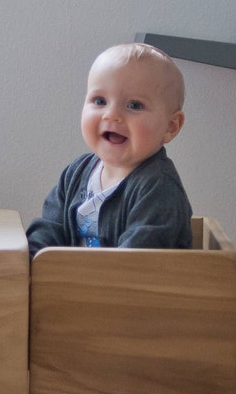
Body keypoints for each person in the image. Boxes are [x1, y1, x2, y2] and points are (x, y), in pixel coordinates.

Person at [26, 43, 193, 259]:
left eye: (134, 105)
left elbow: (135, 260)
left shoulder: (158, 188)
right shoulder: (76, 173)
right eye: (100, 101)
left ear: (170, 127)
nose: (111, 115)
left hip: (129, 289)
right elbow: (50, 226)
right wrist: (33, 262)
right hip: (72, 284)